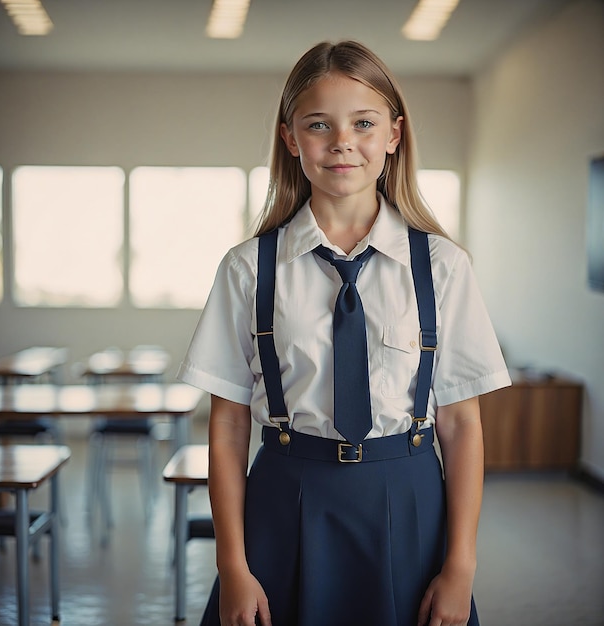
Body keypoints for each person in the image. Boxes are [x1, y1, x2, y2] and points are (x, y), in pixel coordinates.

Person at [178, 40, 511, 626]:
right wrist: (233, 565)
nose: (342, 142)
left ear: (393, 134)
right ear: (290, 139)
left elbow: (461, 426)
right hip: (285, 498)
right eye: (318, 125)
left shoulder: (442, 267)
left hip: (409, 500)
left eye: (363, 122)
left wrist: (461, 566)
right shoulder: (248, 268)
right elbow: (228, 425)